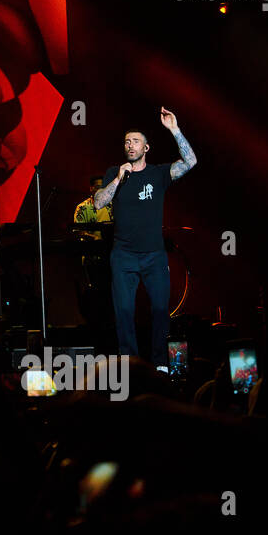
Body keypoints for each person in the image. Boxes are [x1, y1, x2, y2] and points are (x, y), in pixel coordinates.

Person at [92, 108, 197, 370]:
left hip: (153, 255)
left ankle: (161, 364)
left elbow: (190, 162)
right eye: (127, 141)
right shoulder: (113, 172)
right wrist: (118, 179)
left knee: (161, 311)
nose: (130, 145)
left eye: (135, 141)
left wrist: (174, 129)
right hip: (124, 256)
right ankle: (130, 366)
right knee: (124, 314)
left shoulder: (159, 174)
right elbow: (97, 203)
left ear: (146, 147)